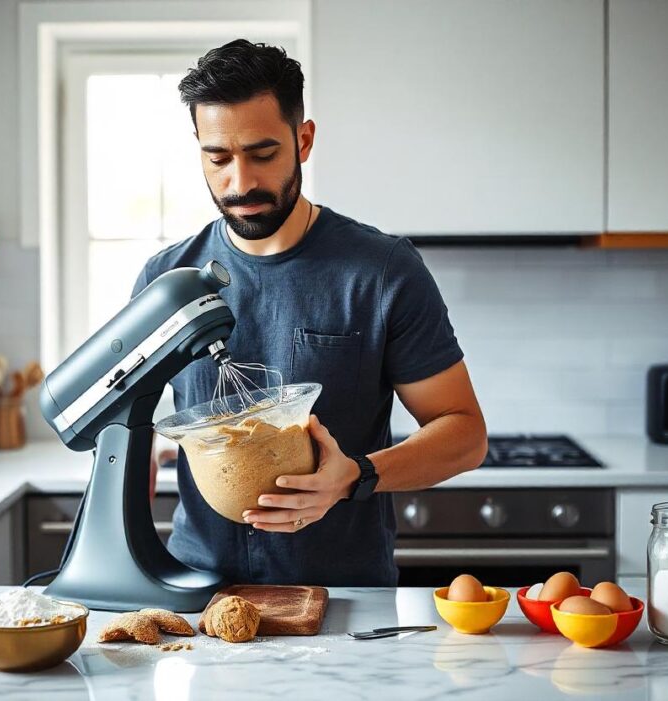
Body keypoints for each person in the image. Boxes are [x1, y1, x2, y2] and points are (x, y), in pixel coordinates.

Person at [131, 39, 487, 586]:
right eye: (218, 158)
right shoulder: (166, 281)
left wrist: (357, 475)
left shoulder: (382, 271)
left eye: (263, 153)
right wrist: (137, 454)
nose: (241, 182)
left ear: (304, 139)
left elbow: (464, 434)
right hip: (200, 594)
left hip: (346, 598)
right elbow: (129, 418)